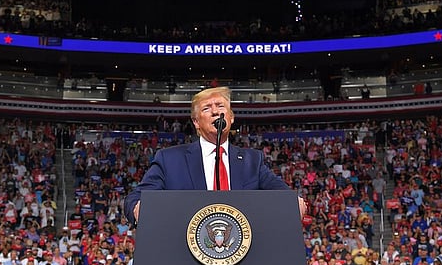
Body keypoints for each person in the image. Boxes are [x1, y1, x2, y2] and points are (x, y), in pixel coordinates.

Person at [124, 86, 307, 225]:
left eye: (220, 106)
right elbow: (134, 199)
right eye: (206, 108)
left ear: (231, 117)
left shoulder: (252, 160)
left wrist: (294, 202)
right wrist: (138, 209)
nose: (215, 111)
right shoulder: (170, 159)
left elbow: (283, 194)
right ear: (196, 122)